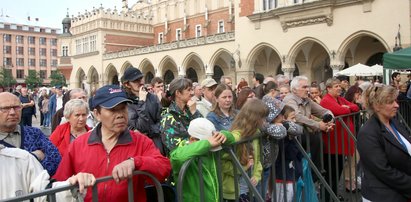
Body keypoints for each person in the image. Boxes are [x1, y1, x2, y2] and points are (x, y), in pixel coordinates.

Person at [53, 85, 171, 202]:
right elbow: (58, 183)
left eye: (123, 108)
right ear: (97, 114)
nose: (120, 114)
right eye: (113, 109)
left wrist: (135, 162)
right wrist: (73, 180)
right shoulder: (78, 145)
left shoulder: (141, 141)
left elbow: (163, 167)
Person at [358, 85, 411, 202]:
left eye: (396, 101)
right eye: (390, 102)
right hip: (384, 195)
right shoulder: (367, 132)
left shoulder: (394, 122)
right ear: (377, 106)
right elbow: (384, 171)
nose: (396, 105)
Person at [170, 118, 235, 202]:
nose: (213, 144)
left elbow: (231, 140)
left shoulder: (210, 150)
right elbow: (176, 158)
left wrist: (223, 135)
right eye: (208, 141)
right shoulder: (183, 150)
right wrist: (207, 144)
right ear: (192, 139)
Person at [0, 92, 61, 176]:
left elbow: (55, 159)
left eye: (17, 107)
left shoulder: (34, 133)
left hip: (38, 187)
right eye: (5, 108)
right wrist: (34, 156)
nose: (12, 112)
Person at [283, 76, 334, 170]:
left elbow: (323, 111)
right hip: (294, 137)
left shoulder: (306, 100)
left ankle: (316, 175)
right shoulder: (290, 99)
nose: (308, 90)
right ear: (294, 89)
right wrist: (318, 125)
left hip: (305, 134)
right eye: (304, 87)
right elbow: (297, 117)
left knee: (318, 143)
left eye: (308, 87)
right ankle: (314, 175)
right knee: (315, 141)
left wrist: (329, 120)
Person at [320, 78, 360, 194]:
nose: (339, 88)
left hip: (342, 144)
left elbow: (356, 107)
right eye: (336, 86)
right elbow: (340, 111)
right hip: (333, 145)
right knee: (331, 173)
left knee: (337, 173)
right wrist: (346, 109)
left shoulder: (340, 99)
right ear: (328, 89)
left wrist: (347, 108)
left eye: (339, 86)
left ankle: (334, 194)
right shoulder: (326, 100)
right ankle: (328, 196)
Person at [223, 99, 268, 201]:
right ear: (254, 118)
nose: (264, 121)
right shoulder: (236, 137)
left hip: (250, 189)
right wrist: (243, 167)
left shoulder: (256, 133)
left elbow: (258, 159)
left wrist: (256, 176)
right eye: (262, 118)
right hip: (234, 191)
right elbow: (222, 164)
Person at [121, 67, 164, 154]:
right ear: (127, 84)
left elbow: (162, 121)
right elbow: (140, 127)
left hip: (156, 145)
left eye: (141, 78)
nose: (141, 82)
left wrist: (149, 131)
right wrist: (141, 102)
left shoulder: (153, 97)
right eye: (136, 80)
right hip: (137, 148)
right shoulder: (125, 102)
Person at [161, 78, 203, 154]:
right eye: (189, 90)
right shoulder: (168, 117)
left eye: (192, 89)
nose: (192, 93)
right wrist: (199, 143)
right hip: (184, 162)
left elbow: (204, 128)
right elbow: (175, 148)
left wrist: (194, 112)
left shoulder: (190, 110)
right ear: (178, 93)